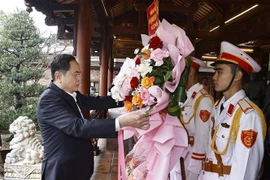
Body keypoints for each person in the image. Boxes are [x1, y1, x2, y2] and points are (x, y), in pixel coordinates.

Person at [37, 54, 150, 180]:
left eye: (79, 73)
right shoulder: (48, 99)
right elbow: (77, 127)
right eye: (75, 74)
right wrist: (120, 123)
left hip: (78, 167)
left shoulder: (72, 94)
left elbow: (98, 102)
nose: (79, 78)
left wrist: (132, 96)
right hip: (62, 171)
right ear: (58, 76)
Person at [199, 41, 266, 180]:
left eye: (220, 72)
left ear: (237, 76)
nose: (214, 77)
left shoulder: (248, 115)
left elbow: (245, 170)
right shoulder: (218, 107)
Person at [170, 57, 214, 180]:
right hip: (178, 159)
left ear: (190, 73)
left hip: (190, 163)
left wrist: (194, 171)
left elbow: (202, 139)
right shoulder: (182, 96)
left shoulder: (203, 100)